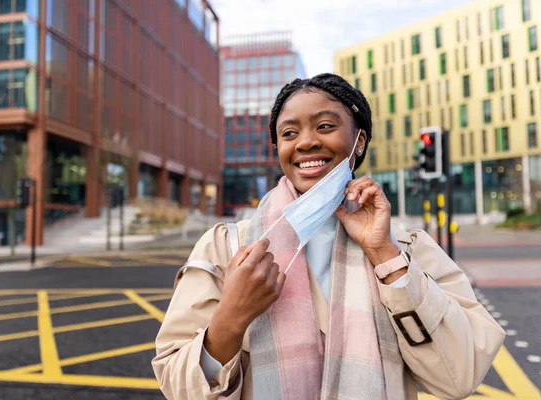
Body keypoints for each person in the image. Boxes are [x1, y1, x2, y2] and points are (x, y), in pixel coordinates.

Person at [152, 73, 505, 400]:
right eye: (289, 133)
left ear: (359, 140)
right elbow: (177, 385)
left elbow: (458, 377)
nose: (306, 142)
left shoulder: (409, 249)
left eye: (324, 126)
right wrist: (230, 320)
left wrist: (386, 256)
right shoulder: (225, 246)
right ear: (278, 149)